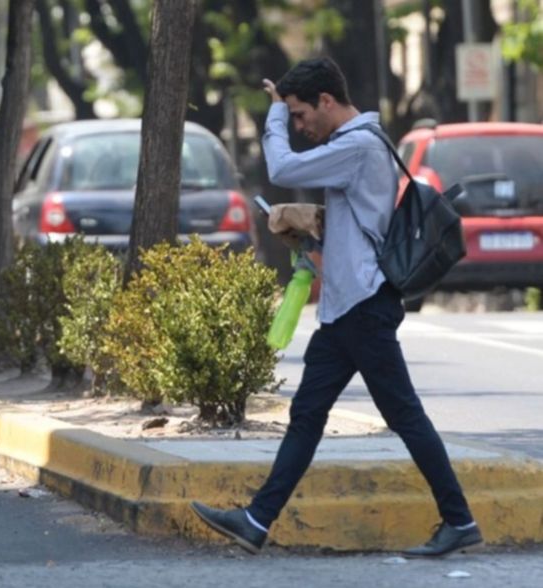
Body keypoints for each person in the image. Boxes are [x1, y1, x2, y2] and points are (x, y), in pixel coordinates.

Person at [190, 58, 482, 558]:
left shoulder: (360, 144)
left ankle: (459, 520)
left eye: (303, 115)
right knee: (307, 415)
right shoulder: (353, 146)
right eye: (294, 119)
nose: (301, 126)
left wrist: (276, 114)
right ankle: (257, 521)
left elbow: (281, 167)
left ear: (327, 100)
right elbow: (357, 221)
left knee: (404, 415)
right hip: (347, 308)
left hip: (365, 306)